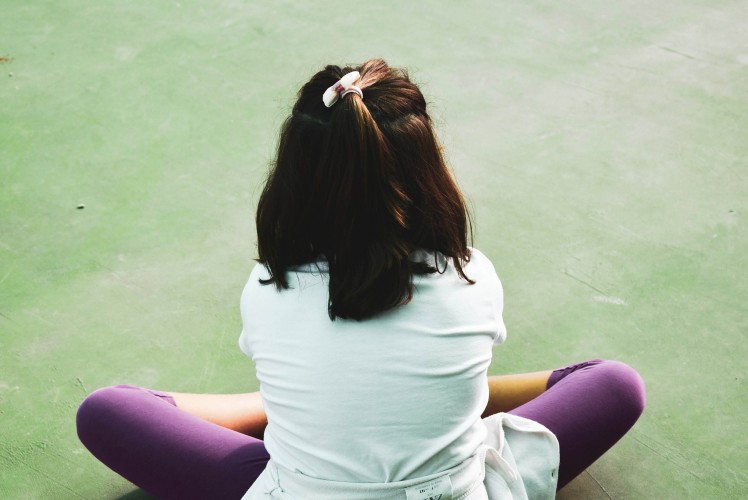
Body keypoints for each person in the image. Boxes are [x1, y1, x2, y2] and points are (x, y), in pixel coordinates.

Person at [77, 59, 646, 499]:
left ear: (292, 174)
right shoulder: (471, 274)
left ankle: (300, 403)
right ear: (429, 168)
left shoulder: (269, 287)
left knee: (107, 411)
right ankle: (409, 397)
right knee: (614, 384)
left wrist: (319, 400)